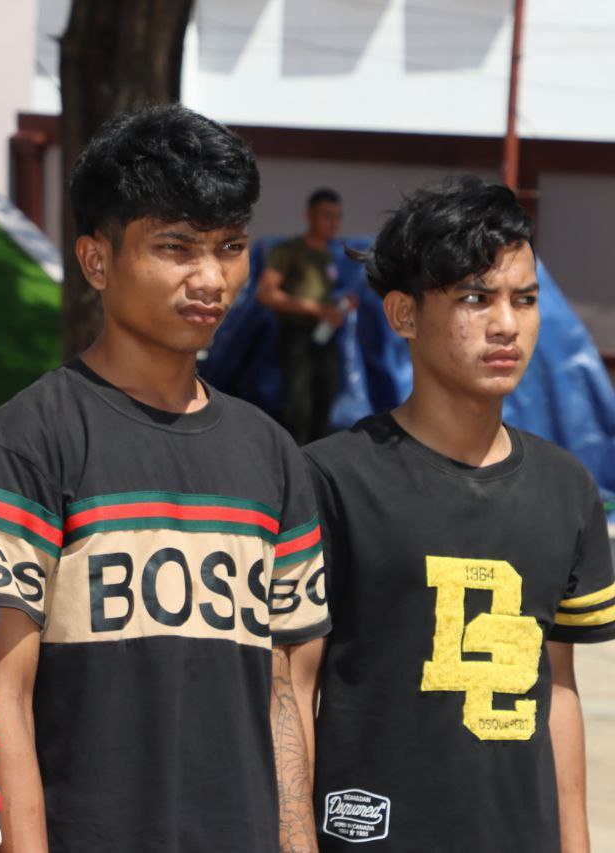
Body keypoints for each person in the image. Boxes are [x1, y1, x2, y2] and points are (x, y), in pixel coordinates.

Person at [0, 104, 329, 853]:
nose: (210, 277)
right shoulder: (30, 440)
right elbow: (2, 693)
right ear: (96, 261)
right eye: (175, 247)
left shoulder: (272, 454)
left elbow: (287, 693)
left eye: (229, 247)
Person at [305, 175, 615, 851]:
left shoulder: (568, 487)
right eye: (476, 298)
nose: (506, 324)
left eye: (524, 299)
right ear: (403, 314)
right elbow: (290, 689)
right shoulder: (329, 479)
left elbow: (558, 690)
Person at [257, 187, 348, 445]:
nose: (333, 223)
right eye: (327, 215)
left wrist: (338, 306)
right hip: (296, 336)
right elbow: (266, 294)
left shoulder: (329, 254)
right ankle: (294, 455)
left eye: (337, 216)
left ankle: (317, 457)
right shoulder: (290, 250)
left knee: (326, 396)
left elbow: (322, 296)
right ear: (310, 215)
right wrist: (315, 309)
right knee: (299, 404)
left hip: (324, 336)